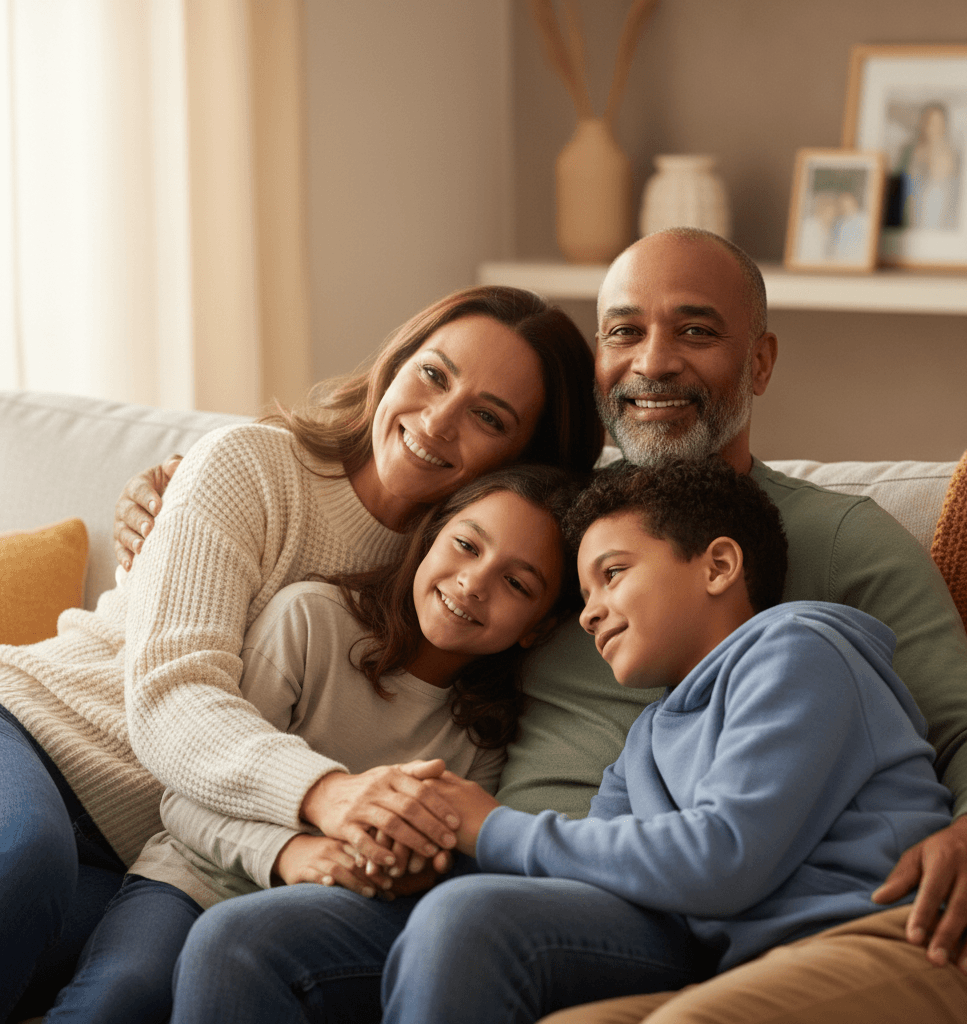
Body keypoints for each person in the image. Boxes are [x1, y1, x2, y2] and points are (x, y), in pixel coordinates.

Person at [118, 230, 967, 1020]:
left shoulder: (834, 543)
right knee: (243, 943)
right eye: (624, 330)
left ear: (760, 362)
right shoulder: (557, 513)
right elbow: (419, 546)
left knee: (465, 926)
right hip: (488, 863)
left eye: (696, 330)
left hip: (638, 894)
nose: (653, 360)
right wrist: (178, 499)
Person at [0, 284, 603, 1020]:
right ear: (396, 362)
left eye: (488, 416)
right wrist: (328, 795)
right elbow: (171, 694)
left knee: (120, 991)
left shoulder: (458, 583)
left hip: (147, 843)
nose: (439, 422)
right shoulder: (251, 464)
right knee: (24, 860)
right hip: (36, 730)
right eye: (434, 374)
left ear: (524, 458)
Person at [379, 457, 967, 1024]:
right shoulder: (648, 739)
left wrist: (488, 826)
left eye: (613, 573)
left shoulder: (797, 651)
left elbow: (723, 855)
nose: (588, 612)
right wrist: (436, 841)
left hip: (913, 943)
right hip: (765, 967)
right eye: (582, 594)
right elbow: (599, 874)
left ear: (718, 565)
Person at [43, 464, 583, 1024]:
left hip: (319, 921)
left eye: (517, 584)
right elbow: (185, 799)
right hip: (197, 877)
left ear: (538, 628)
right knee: (124, 994)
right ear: (430, 537)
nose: (474, 582)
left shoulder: (487, 732)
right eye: (467, 545)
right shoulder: (311, 620)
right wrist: (290, 854)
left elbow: (440, 857)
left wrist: (411, 867)